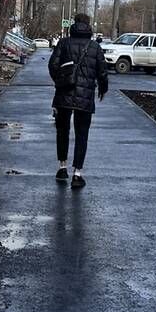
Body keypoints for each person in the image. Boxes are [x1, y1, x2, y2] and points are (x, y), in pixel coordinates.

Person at [48, 13, 108, 189]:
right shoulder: (94, 47)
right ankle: (77, 173)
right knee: (82, 134)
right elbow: (102, 71)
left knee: (62, 131)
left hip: (63, 94)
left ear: (74, 24)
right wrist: (103, 89)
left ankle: (62, 167)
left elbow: (52, 65)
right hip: (85, 97)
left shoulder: (63, 43)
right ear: (88, 26)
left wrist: (59, 81)